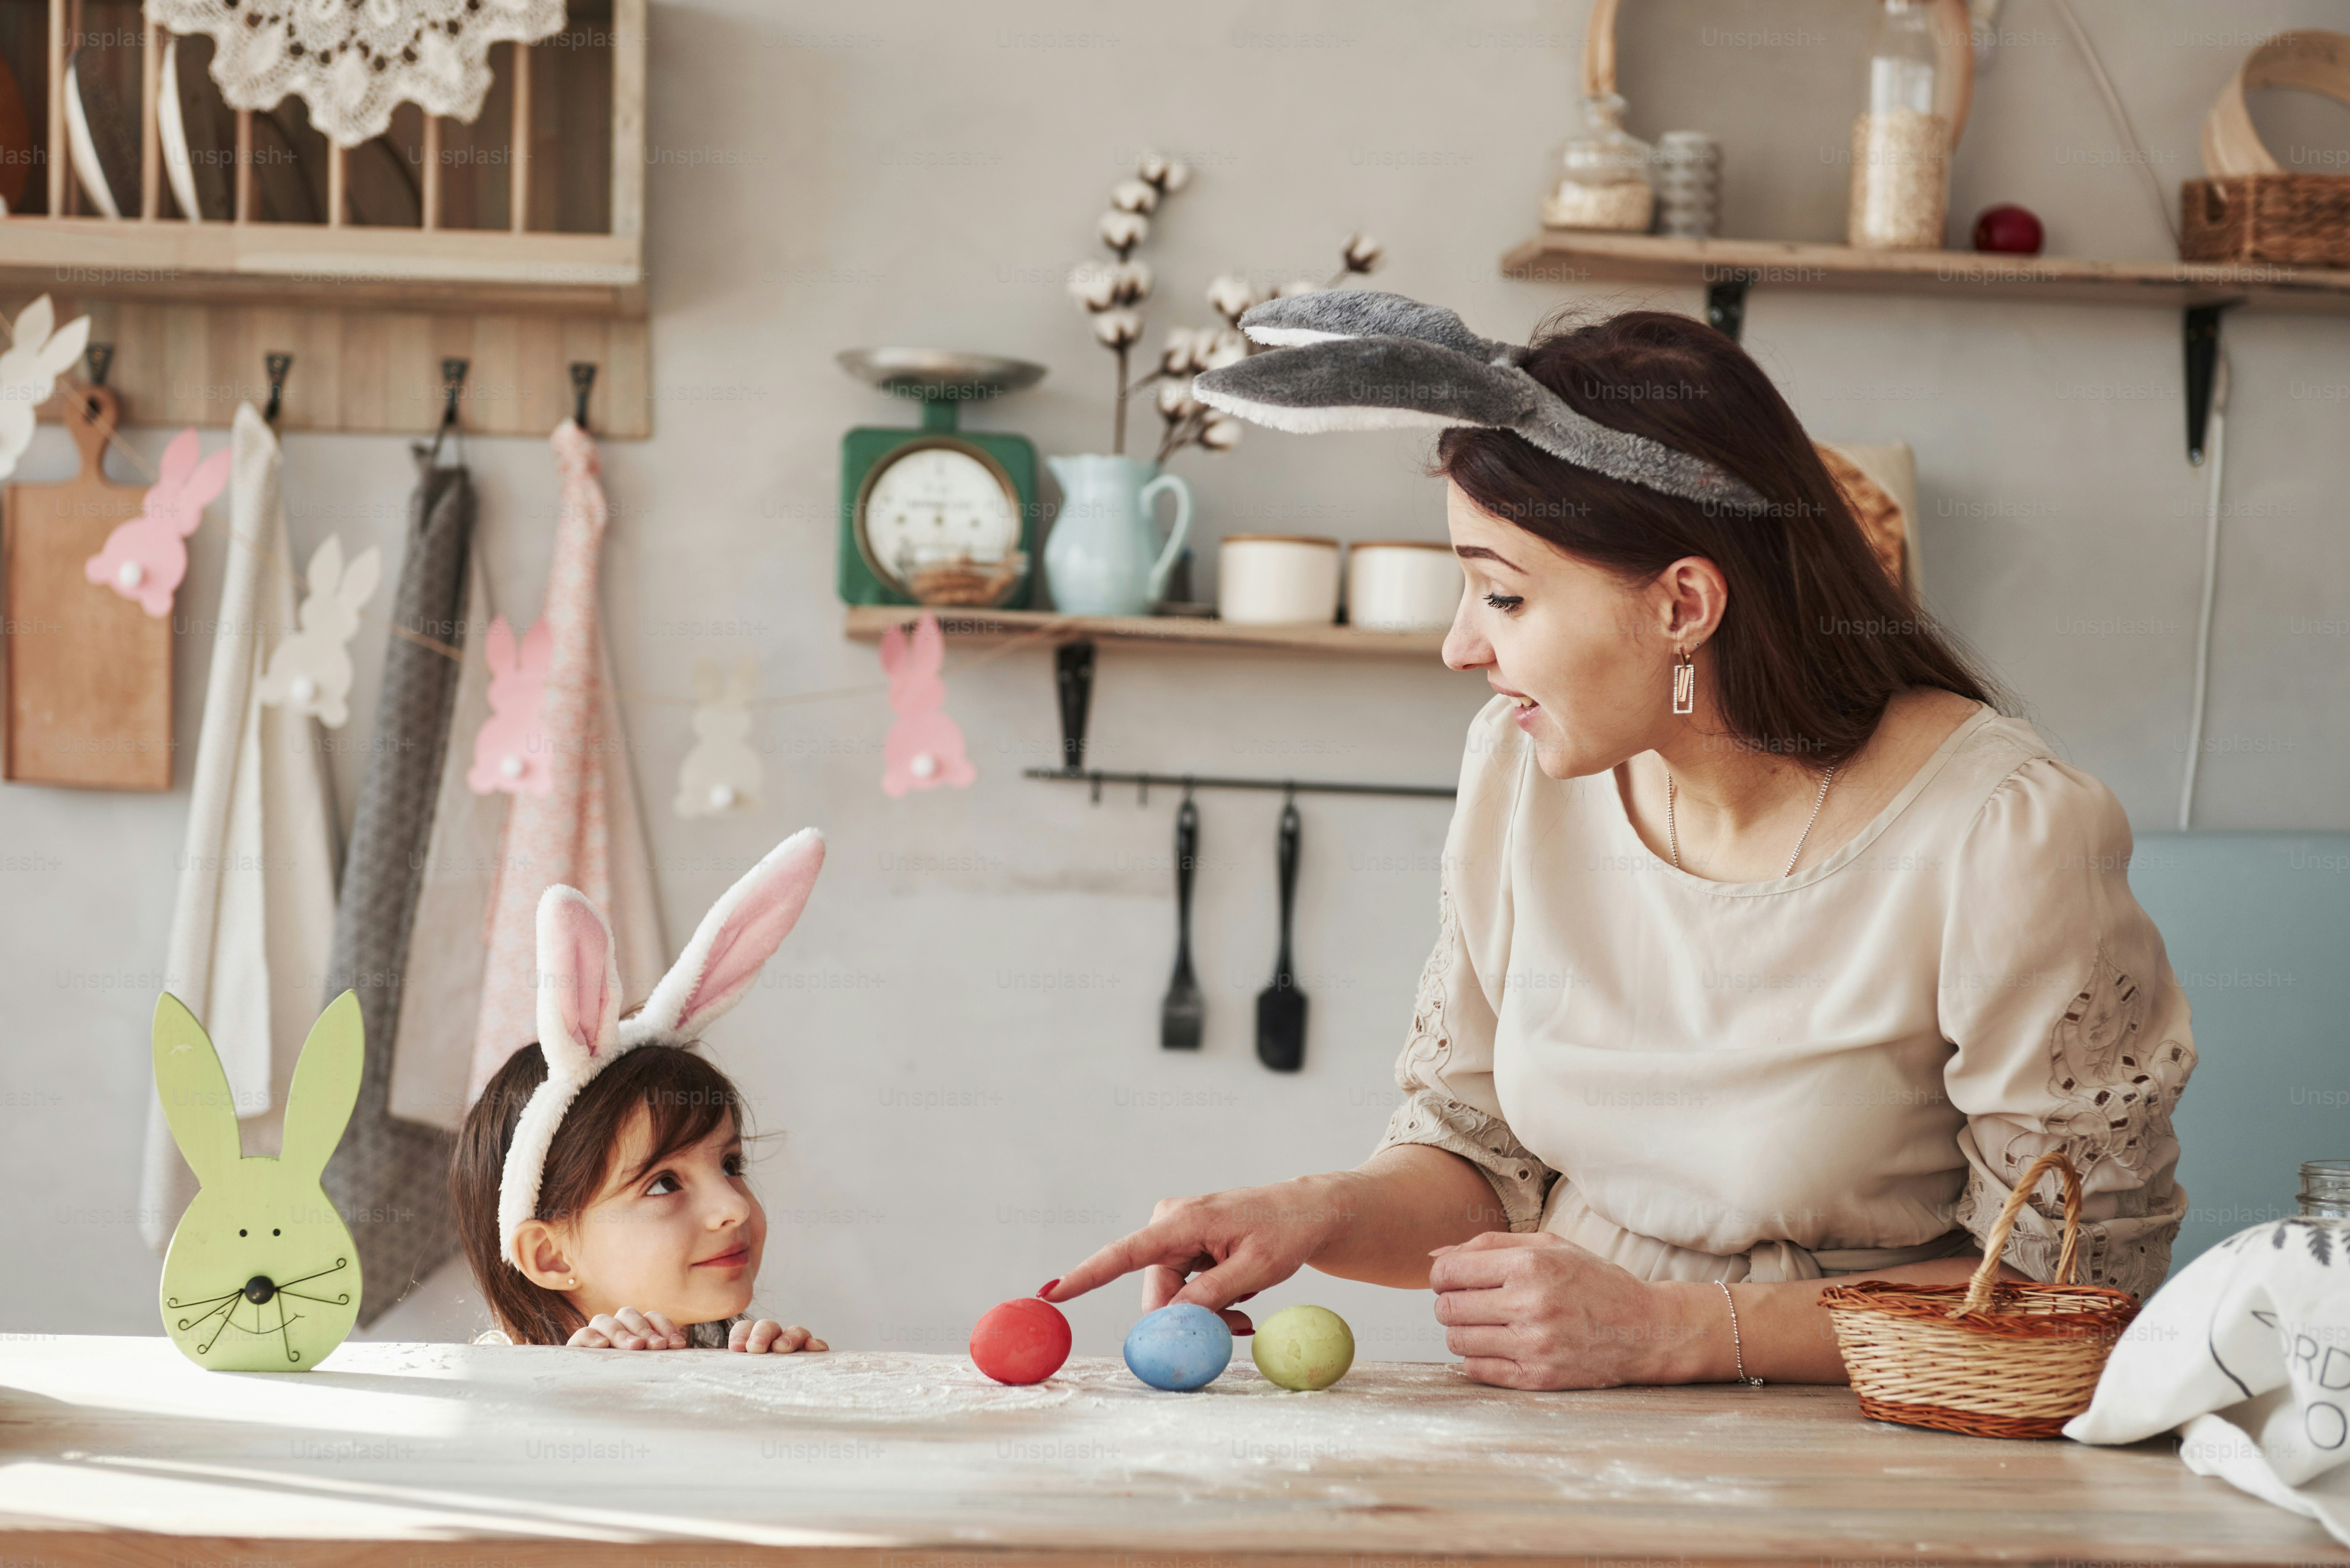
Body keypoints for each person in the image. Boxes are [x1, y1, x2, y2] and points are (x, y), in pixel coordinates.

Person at [1045, 294, 2195, 1389]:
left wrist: (1678, 1333)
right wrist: (1318, 1210)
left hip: (1873, 1458)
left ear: (1683, 605)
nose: (1458, 648)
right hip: (1565, 1433)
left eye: (1501, 598)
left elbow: (2073, 1284)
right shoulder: (1519, 772)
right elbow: (1478, 1156)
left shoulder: (2002, 831)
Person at [451, 832, 832, 1352]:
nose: (734, 1208)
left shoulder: (728, 1363)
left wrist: (780, 1398)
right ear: (552, 1257)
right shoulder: (504, 1398)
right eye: (663, 1183)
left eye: (731, 1166)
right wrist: (590, 1399)